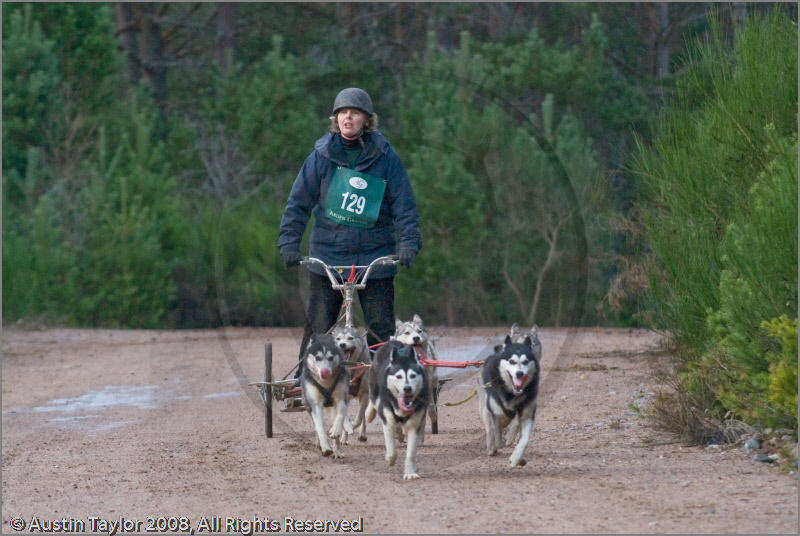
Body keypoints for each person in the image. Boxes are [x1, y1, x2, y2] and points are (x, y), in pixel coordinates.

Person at [278, 87, 421, 380]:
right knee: (318, 325)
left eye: (354, 113)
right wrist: (289, 243)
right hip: (329, 255)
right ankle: (306, 378)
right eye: (342, 112)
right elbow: (297, 205)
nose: (347, 117)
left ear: (366, 120)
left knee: (380, 327)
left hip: (375, 255)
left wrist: (409, 242)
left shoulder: (386, 159)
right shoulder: (319, 158)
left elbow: (404, 205)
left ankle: (385, 378)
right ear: (335, 119)